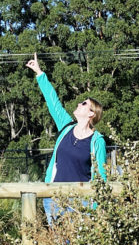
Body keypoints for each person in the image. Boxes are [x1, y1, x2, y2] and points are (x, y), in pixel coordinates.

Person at [26, 53, 106, 224]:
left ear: (92, 113)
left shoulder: (97, 141)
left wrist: (95, 210)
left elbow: (101, 177)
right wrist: (39, 73)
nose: (79, 104)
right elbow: (52, 101)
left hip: (81, 202)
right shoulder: (66, 127)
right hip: (54, 198)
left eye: (84, 104)